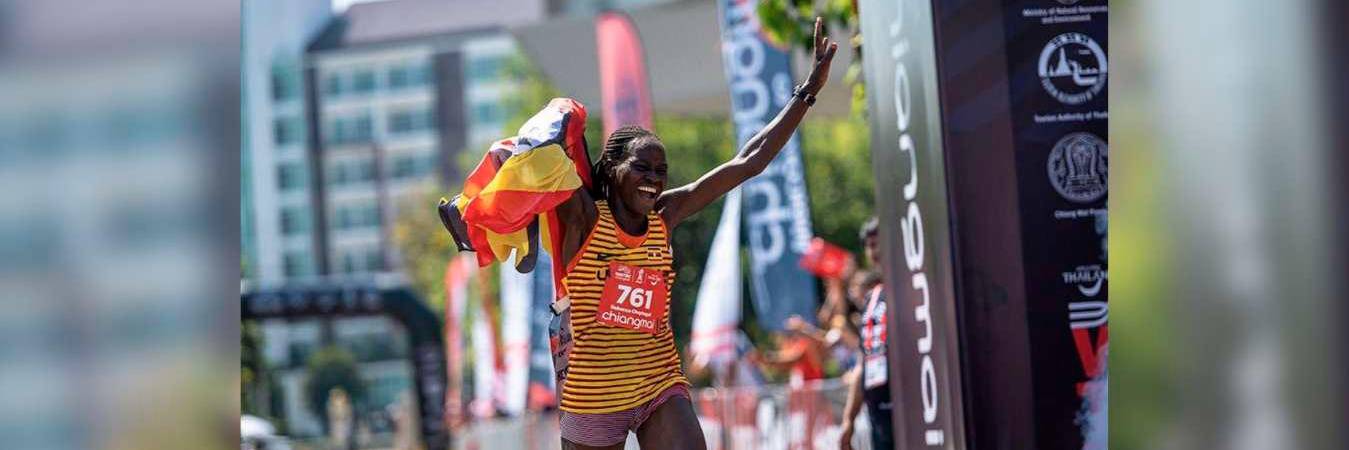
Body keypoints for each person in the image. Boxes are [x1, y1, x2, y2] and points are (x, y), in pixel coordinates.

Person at [547, 18, 838, 450]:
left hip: (657, 382)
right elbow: (539, 162)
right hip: (594, 395)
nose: (653, 180)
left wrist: (808, 90)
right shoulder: (585, 218)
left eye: (661, 171)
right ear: (613, 170)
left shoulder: (667, 212)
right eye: (641, 168)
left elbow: (750, 160)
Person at [839, 217, 894, 450]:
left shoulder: (911, 287)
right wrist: (848, 420)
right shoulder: (872, 299)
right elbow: (864, 362)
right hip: (878, 417)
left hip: (911, 412)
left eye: (879, 243)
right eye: (870, 245)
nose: (875, 251)